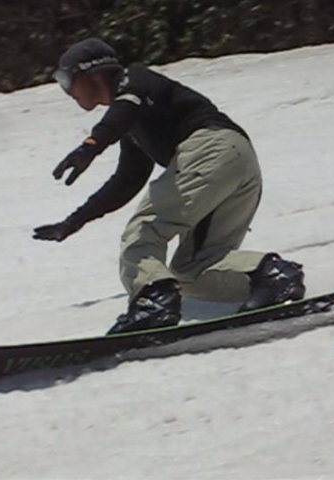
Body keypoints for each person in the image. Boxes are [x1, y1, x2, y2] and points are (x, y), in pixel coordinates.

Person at [33, 38, 305, 335]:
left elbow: (122, 109)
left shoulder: (133, 80)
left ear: (92, 74)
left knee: (143, 230)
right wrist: (74, 221)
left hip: (210, 149)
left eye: (66, 80)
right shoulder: (133, 122)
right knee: (192, 270)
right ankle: (271, 276)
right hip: (238, 162)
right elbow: (127, 181)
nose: (67, 91)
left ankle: (154, 301)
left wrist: (91, 145)